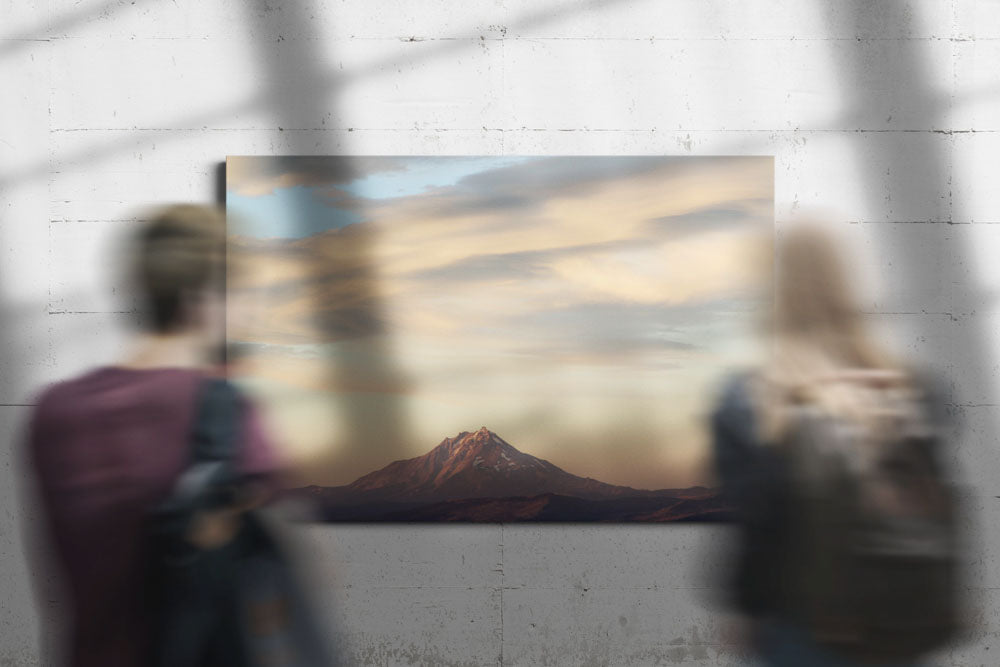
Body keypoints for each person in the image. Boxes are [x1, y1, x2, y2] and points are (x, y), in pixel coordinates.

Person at [26, 204, 283, 667]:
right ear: (198, 296)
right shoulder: (226, 412)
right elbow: (273, 603)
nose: (253, 308)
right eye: (242, 291)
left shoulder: (53, 412)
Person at [711, 222, 961, 666]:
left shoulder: (750, 400)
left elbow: (758, 527)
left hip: (805, 627)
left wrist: (746, 610)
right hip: (903, 618)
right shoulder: (916, 389)